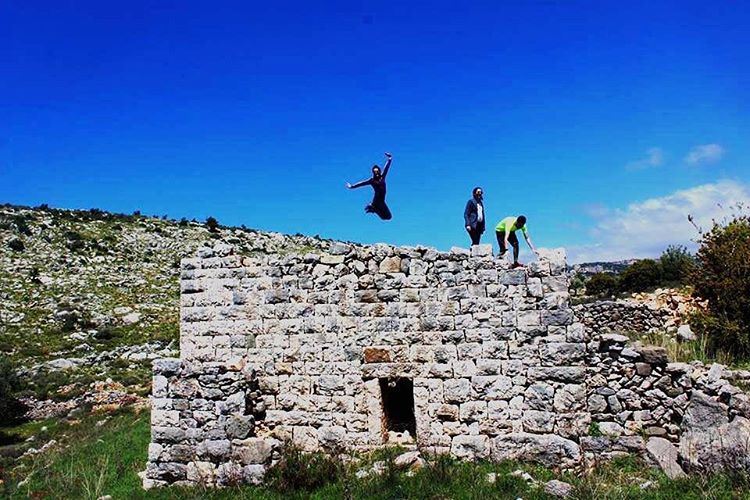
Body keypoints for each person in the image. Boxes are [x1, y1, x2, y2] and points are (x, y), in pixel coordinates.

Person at [346, 152, 393, 220]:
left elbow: (386, 168)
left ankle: (373, 208)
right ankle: (373, 208)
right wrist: (352, 186)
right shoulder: (372, 180)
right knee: (386, 217)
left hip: (381, 201)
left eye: (377, 171)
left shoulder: (382, 177)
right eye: (375, 172)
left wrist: (389, 159)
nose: (376, 173)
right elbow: (362, 183)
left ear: (379, 171)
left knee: (388, 217)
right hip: (376, 201)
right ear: (373, 172)